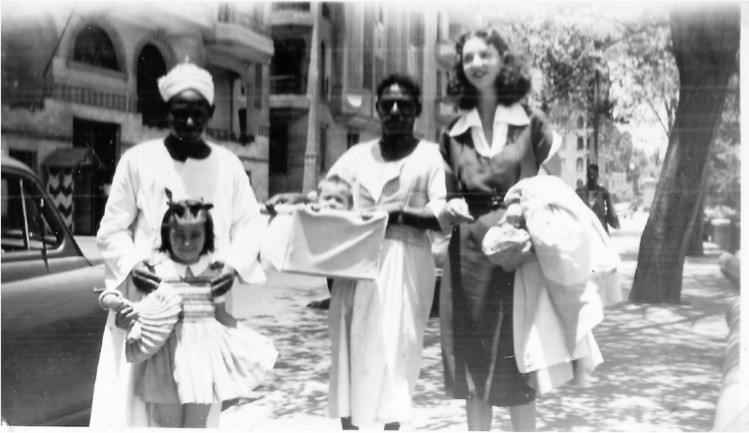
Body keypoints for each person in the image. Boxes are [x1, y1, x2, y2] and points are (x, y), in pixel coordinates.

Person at [90, 62, 267, 428]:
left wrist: (232, 266)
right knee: (137, 410)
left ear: (211, 113)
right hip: (149, 306)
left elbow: (250, 225)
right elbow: (111, 230)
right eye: (180, 114)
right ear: (168, 112)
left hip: (205, 312)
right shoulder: (138, 161)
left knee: (198, 408)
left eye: (197, 114)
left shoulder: (229, 166)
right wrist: (132, 264)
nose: (189, 123)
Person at [437, 28, 559, 431]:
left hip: (516, 256)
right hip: (469, 259)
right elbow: (445, 197)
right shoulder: (453, 132)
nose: (476, 64)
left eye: (484, 55)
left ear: (503, 61)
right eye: (468, 57)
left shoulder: (531, 123)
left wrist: (529, 222)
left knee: (519, 363)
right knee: (474, 367)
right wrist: (448, 206)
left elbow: (555, 188)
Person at [325, 73, 446, 430]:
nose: (395, 111)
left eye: (404, 105)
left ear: (417, 110)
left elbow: (443, 215)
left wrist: (397, 214)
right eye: (388, 105)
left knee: (395, 361)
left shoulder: (430, 157)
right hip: (354, 269)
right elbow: (327, 199)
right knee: (350, 358)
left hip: (404, 270)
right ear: (377, 108)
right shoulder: (356, 157)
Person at [576, 163, 620, 234]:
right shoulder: (579, 192)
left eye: (594, 175)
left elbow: (611, 212)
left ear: (598, 176)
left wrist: (612, 220)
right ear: (586, 176)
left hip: (600, 229)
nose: (591, 177)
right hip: (584, 229)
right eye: (589, 175)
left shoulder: (603, 192)